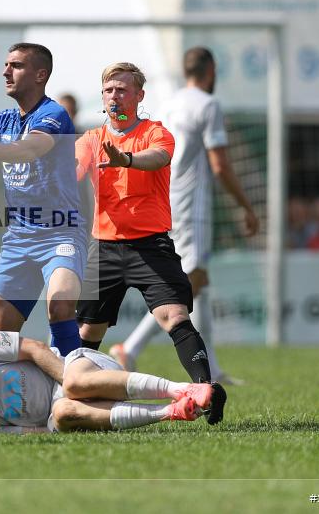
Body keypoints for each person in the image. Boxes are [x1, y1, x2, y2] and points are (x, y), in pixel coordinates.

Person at [74, 61, 226, 424]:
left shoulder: (156, 132)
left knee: (174, 316)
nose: (115, 96)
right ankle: (73, 395)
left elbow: (159, 157)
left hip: (150, 246)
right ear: (102, 96)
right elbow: (69, 170)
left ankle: (206, 391)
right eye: (109, 90)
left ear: (139, 96)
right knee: (86, 332)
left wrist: (124, 159)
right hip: (104, 247)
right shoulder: (91, 140)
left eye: (123, 90)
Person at [110, 47, 259, 383]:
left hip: (164, 197)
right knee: (188, 281)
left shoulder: (171, 103)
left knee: (199, 283)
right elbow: (219, 165)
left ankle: (213, 369)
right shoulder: (208, 104)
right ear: (212, 70)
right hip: (192, 206)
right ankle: (129, 349)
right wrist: (246, 207)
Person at [0, 43, 85, 357]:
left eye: (15, 65)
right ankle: (31, 385)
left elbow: (30, 149)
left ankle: (71, 388)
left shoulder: (53, 114)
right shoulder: (1, 121)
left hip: (61, 233)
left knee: (59, 305)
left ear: (40, 74)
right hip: (18, 239)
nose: (5, 71)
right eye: (6, 64)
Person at [0, 331, 218, 433]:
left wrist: (69, 381)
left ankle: (182, 389)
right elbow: (29, 433)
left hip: (78, 368)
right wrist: (62, 421)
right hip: (61, 408)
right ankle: (172, 412)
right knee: (61, 415)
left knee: (73, 387)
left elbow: (33, 348)